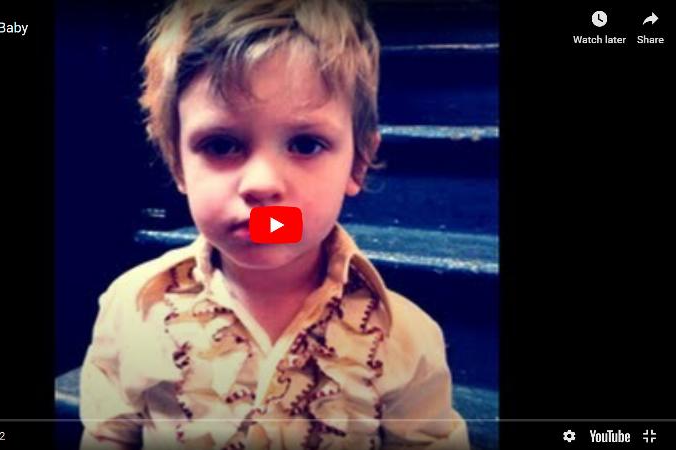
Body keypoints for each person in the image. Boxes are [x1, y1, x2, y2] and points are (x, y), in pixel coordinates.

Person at [79, 0, 469, 448]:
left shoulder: (405, 340)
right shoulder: (131, 310)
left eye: (306, 144)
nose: (262, 185)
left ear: (358, 163)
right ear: (177, 165)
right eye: (221, 145)